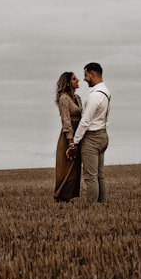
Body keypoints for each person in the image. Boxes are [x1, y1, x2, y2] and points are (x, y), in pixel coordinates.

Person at [69, 62, 110, 204]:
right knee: (99, 175)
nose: (84, 79)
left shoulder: (94, 96)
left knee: (90, 177)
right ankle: (102, 204)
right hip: (103, 134)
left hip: (92, 138)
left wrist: (75, 142)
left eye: (86, 75)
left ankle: (92, 208)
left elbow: (85, 121)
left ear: (92, 74)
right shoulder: (105, 92)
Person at [53, 71, 83, 202]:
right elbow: (66, 121)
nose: (78, 81)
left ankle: (69, 195)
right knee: (66, 167)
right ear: (68, 83)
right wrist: (71, 142)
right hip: (68, 136)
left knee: (75, 167)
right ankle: (60, 197)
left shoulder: (78, 98)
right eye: (75, 79)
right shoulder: (64, 98)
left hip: (79, 134)